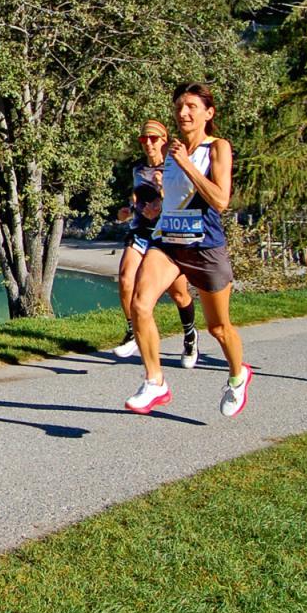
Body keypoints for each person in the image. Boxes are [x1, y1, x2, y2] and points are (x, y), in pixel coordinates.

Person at [124, 84, 254, 417]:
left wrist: (187, 165)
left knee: (219, 328)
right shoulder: (173, 151)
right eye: (179, 106)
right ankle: (155, 381)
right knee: (139, 303)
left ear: (208, 113)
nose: (183, 113)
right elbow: (175, 197)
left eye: (191, 107)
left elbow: (221, 200)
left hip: (205, 247)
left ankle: (239, 376)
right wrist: (153, 207)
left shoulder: (217, 148)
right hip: (169, 241)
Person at [110, 120, 205, 368]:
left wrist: (164, 195)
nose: (148, 144)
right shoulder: (138, 169)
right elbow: (137, 200)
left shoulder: (175, 167)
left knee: (179, 294)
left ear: (164, 140)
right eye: (144, 140)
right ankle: (132, 330)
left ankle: (190, 335)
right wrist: (127, 211)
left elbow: (188, 199)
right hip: (141, 231)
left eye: (153, 139)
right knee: (125, 277)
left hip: (167, 235)